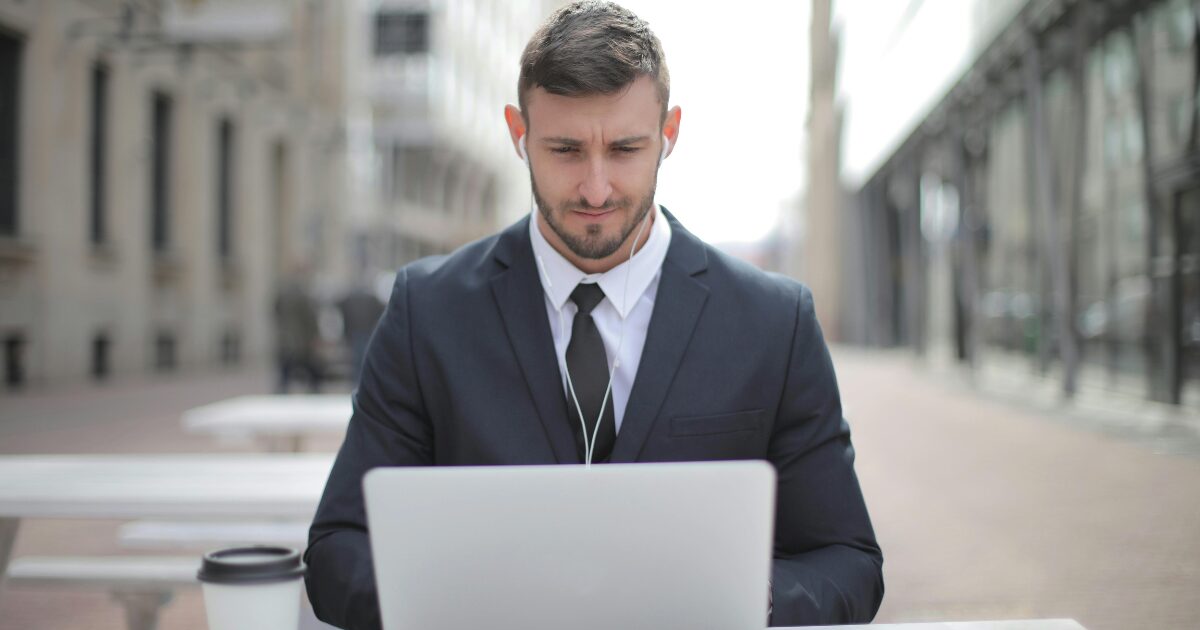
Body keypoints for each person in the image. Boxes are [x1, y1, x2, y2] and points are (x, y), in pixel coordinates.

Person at [305, 2, 883, 628]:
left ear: (671, 133)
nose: (596, 190)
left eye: (626, 148)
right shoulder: (428, 312)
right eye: (566, 150)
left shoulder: (775, 323)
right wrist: (468, 602)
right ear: (517, 133)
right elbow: (337, 552)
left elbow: (848, 561)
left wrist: (745, 596)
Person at [273, 271, 321, 393]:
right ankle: (314, 391)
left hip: (286, 339)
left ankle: (281, 392)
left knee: (286, 370)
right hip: (301, 340)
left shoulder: (282, 296)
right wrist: (314, 336)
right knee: (308, 368)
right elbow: (311, 318)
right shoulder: (304, 297)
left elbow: (275, 312)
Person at [336, 282, 385, 386]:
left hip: (357, 332)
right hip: (366, 332)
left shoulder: (350, 299)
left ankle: (357, 381)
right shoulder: (372, 299)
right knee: (364, 358)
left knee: (357, 358)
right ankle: (362, 381)